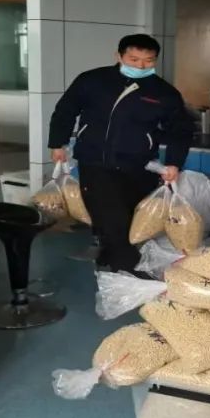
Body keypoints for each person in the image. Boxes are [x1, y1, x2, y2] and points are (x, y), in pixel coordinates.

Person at [47, 34, 194, 274]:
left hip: (138, 165)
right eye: (134, 59)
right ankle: (127, 272)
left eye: (148, 61)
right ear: (119, 55)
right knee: (112, 218)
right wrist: (57, 143)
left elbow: (181, 131)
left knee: (130, 220)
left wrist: (174, 163)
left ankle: (109, 260)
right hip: (95, 161)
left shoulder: (163, 92)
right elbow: (65, 111)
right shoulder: (92, 80)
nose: (141, 66)